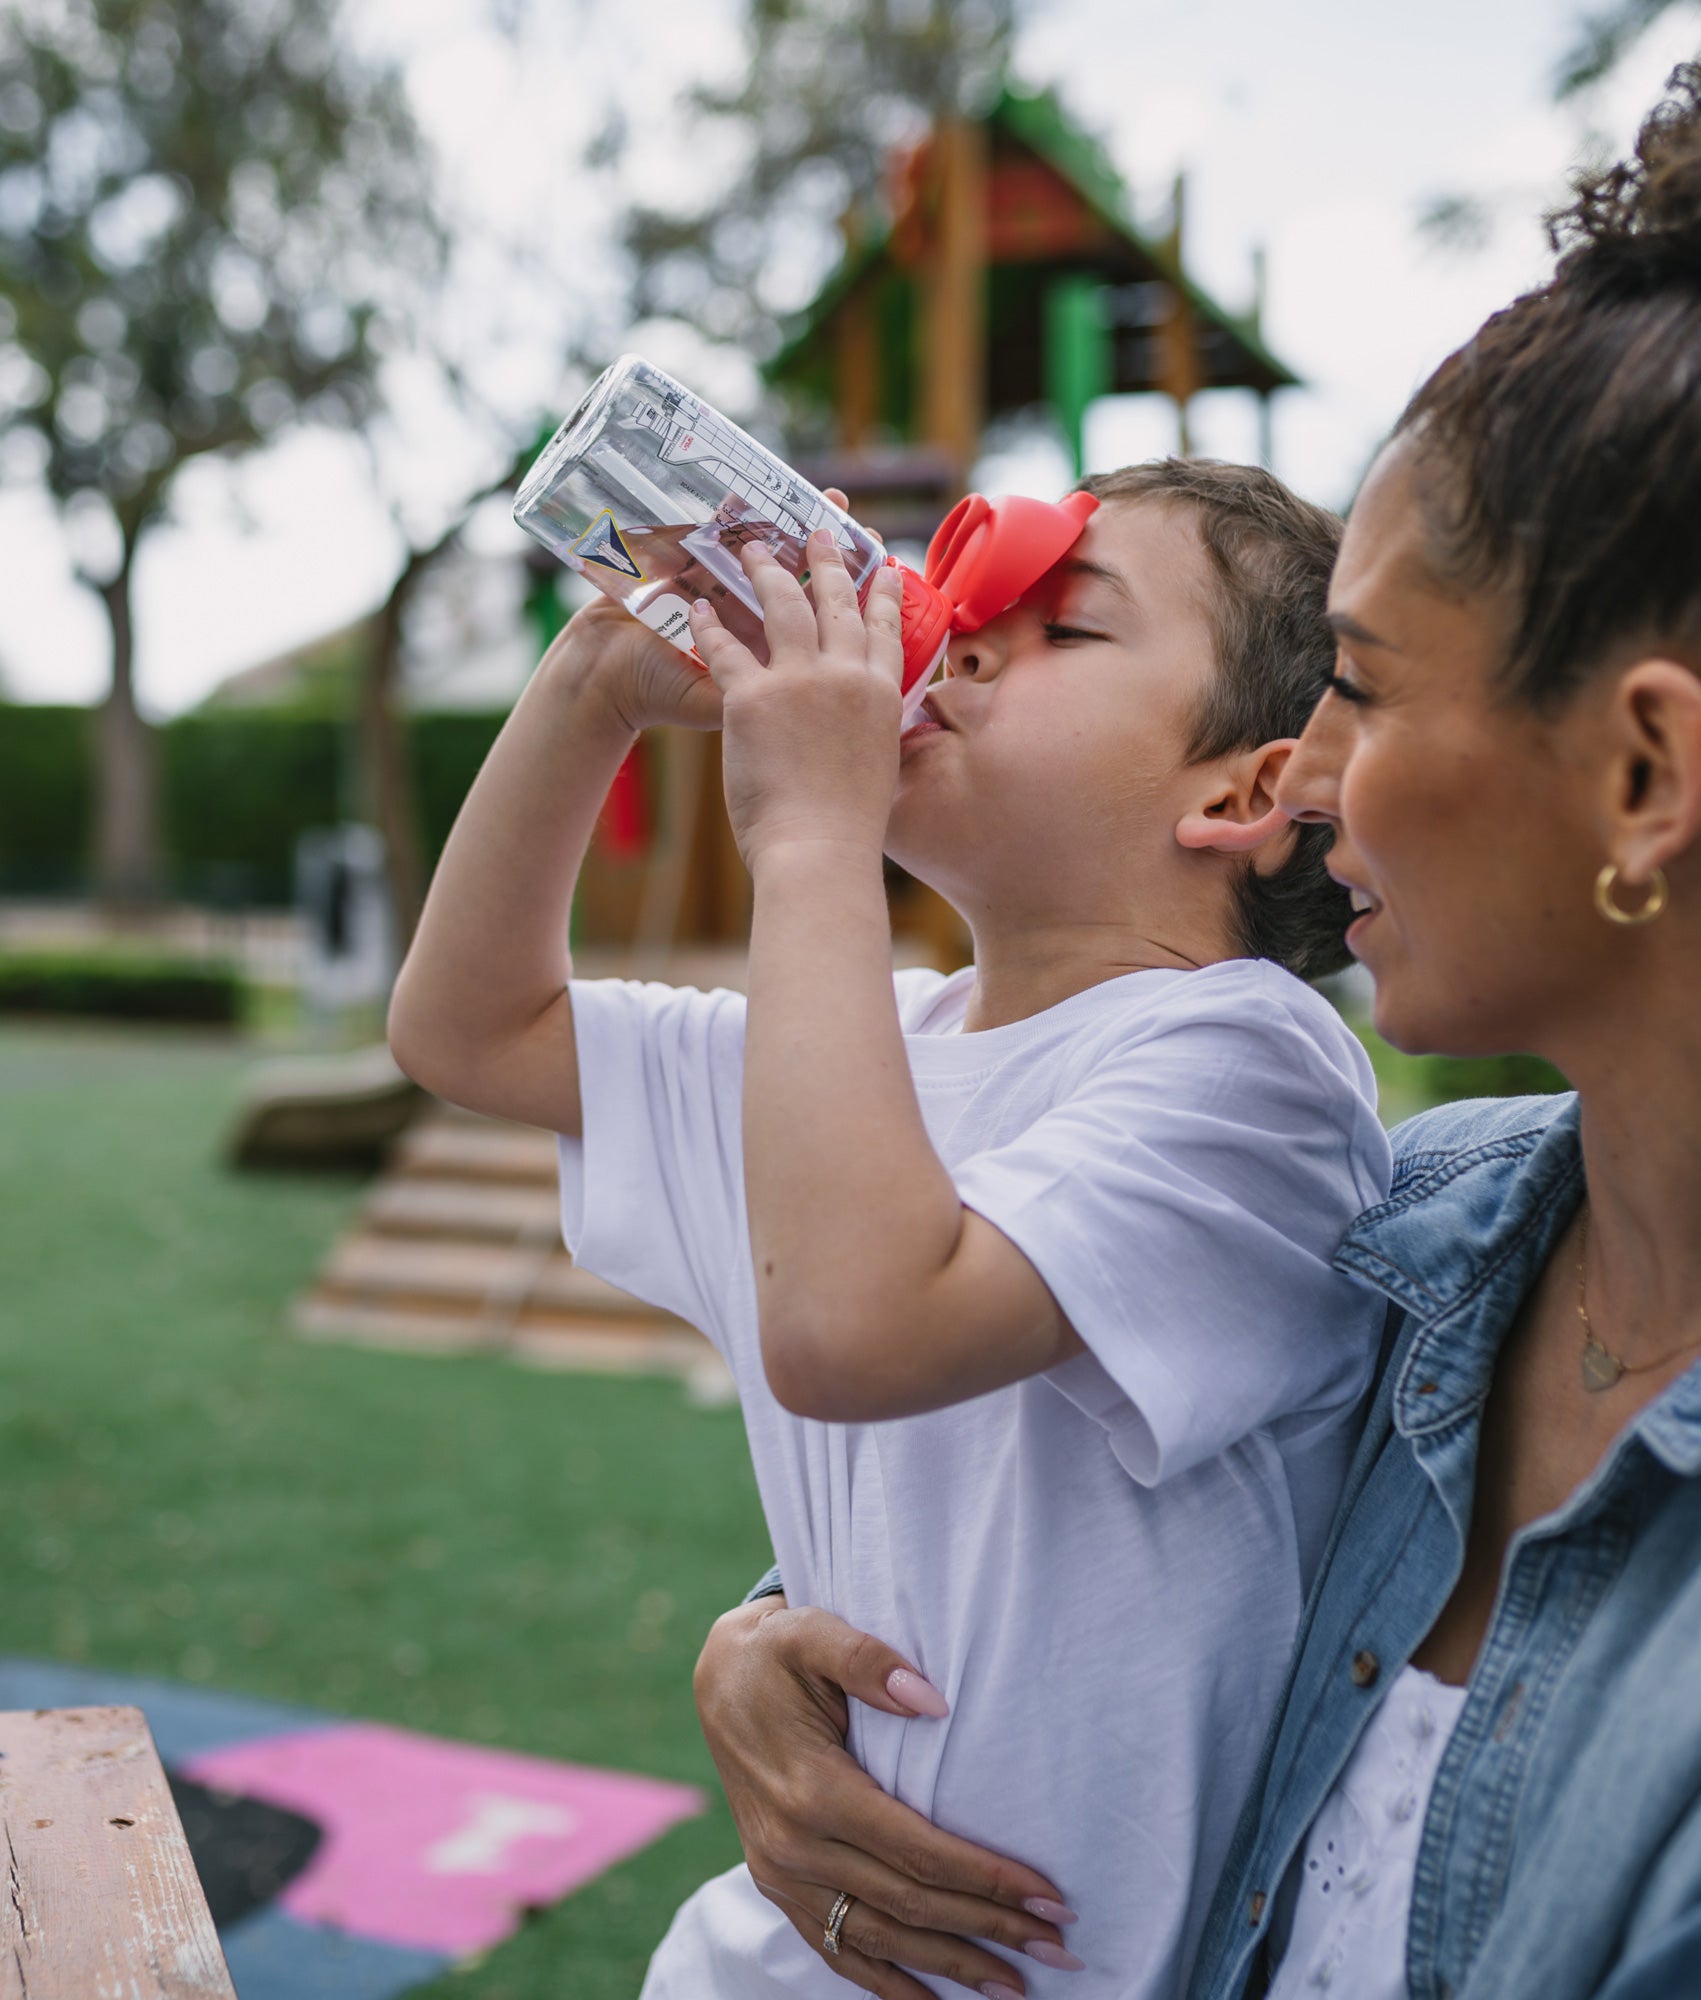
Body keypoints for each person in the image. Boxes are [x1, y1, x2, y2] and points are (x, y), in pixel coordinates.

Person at [688, 12, 1701, 1998]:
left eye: (1363, 686)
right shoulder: (1425, 1237)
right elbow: (1082, 1512)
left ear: (1646, 774)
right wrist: (773, 1638)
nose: (1296, 779)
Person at [387, 459, 1400, 1996]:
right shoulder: (873, 1049)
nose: (965, 640)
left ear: (1244, 796)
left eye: (1068, 626)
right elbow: (469, 1029)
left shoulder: (1249, 1066)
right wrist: (593, 682)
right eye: (977, 612)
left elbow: (855, 1327)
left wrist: (809, 835)